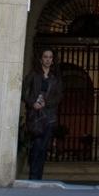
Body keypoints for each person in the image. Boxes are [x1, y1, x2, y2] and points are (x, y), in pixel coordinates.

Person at [21, 48, 63, 181]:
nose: (48, 59)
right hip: (35, 117)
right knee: (36, 146)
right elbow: (23, 92)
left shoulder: (55, 78)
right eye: (45, 57)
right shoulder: (33, 75)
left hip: (49, 117)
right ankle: (33, 177)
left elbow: (59, 96)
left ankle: (38, 177)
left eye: (50, 57)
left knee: (43, 148)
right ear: (41, 59)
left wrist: (47, 103)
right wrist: (32, 103)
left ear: (53, 60)